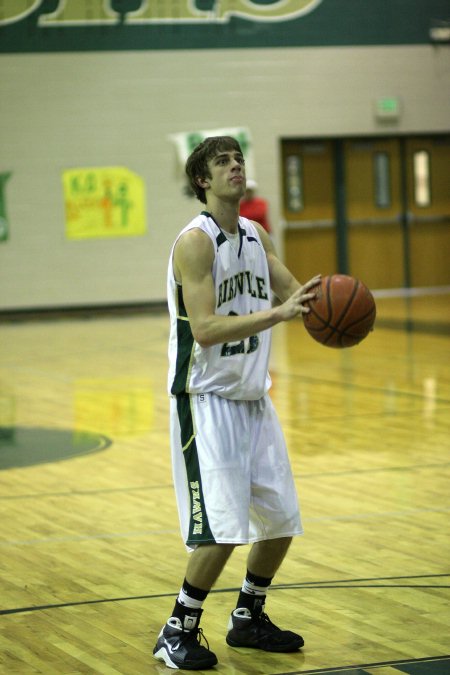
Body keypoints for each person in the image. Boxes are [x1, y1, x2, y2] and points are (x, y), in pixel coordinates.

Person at [153, 136, 321, 670]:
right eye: (223, 161)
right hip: (207, 400)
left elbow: (297, 295)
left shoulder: (256, 235)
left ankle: (248, 615)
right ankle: (176, 630)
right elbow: (203, 330)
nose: (235, 166)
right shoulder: (195, 243)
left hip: (253, 399)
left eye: (238, 159)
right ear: (202, 179)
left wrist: (333, 307)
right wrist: (279, 314)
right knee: (222, 530)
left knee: (279, 520)